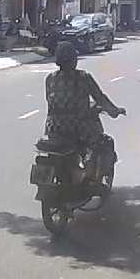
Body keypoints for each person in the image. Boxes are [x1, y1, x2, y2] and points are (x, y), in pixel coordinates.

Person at [43, 42, 126, 180]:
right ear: (74, 60)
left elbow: (51, 101)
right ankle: (92, 177)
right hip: (78, 128)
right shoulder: (83, 77)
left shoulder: (50, 79)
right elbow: (100, 98)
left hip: (54, 128)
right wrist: (114, 111)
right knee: (102, 143)